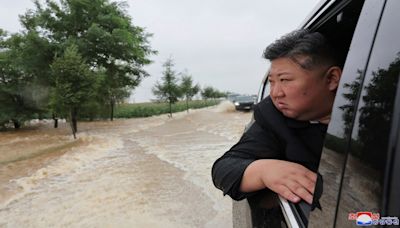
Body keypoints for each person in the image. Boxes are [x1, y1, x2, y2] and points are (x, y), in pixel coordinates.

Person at [211, 29, 342, 205]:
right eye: (272, 82)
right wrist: (263, 171)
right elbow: (224, 168)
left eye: (285, 80)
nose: (275, 93)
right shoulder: (272, 117)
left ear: (332, 79)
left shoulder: (375, 117)